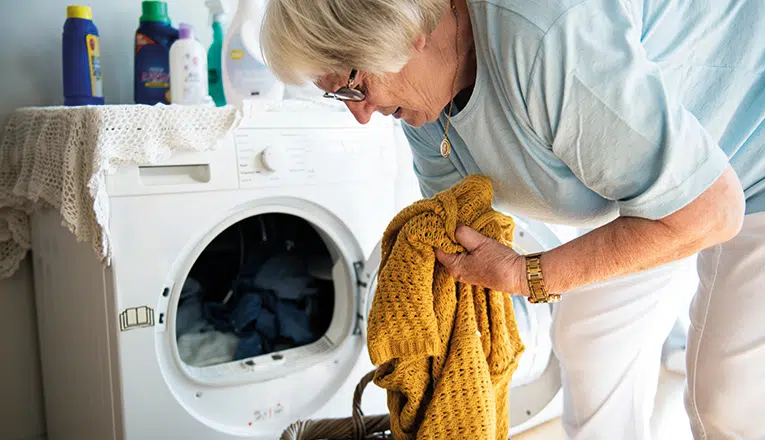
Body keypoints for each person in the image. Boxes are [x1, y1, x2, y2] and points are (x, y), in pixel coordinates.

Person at [260, 0, 765, 438]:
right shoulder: (421, 106)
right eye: (337, 95)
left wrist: (530, 274)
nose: (360, 114)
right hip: (659, 186)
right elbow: (457, 226)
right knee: (588, 336)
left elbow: (709, 211)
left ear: (405, 30)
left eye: (353, 85)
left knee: (726, 398)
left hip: (748, 155)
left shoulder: (544, 37)